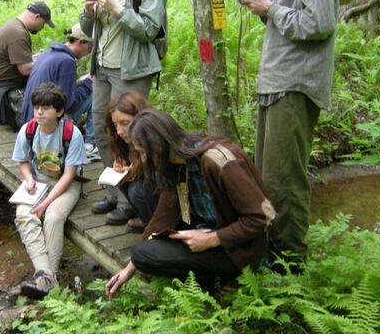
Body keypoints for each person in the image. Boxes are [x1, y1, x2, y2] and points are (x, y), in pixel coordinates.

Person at [236, 0, 338, 264]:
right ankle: (273, 256)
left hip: (296, 84)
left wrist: (270, 7)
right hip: (276, 81)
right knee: (267, 178)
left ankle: (290, 267)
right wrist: (261, 1)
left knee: (285, 182)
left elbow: (318, 23)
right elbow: (290, 20)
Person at [104, 110, 275, 298]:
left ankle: (223, 280)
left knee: (143, 254)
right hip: (207, 237)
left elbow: (263, 217)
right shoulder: (176, 163)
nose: (143, 159)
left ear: (158, 146)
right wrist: (127, 270)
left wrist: (211, 239)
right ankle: (211, 280)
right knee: (141, 254)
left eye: (143, 152)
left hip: (240, 249)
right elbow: (163, 217)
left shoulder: (217, 161)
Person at [80, 0, 168, 225]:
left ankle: (139, 201)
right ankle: (118, 192)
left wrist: (119, 9)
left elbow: (149, 30)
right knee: (102, 131)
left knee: (131, 137)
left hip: (131, 72)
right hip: (102, 68)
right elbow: (91, 30)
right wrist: (88, 11)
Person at [12, 83, 86, 299]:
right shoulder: (28, 130)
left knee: (53, 217)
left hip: (66, 184)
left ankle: (45, 280)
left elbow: (69, 175)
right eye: (36, 108)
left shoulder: (72, 134)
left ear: (59, 111)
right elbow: (23, 162)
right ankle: (46, 277)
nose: (39, 113)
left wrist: (45, 204)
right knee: (24, 215)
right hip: (39, 182)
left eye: (46, 108)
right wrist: (28, 180)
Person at [0, 2, 55, 131]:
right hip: (8, 87)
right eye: (43, 23)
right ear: (36, 17)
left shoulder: (13, 25)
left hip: (0, 81)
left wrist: (37, 57)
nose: (42, 28)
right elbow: (25, 69)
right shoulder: (18, 33)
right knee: (33, 123)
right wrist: (47, 61)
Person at [21, 23, 95, 149]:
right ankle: (90, 144)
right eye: (90, 46)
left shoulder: (48, 53)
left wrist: (81, 82)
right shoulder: (67, 62)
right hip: (43, 122)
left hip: (29, 117)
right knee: (95, 94)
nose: (90, 51)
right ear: (81, 42)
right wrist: (89, 83)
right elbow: (68, 103)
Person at [103, 91, 154, 231]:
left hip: (163, 194)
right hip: (148, 185)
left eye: (125, 123)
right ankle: (146, 219)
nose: (119, 130)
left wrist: (136, 168)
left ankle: (155, 225)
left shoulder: (154, 136)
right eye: (115, 124)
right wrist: (123, 164)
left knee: (136, 191)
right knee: (123, 181)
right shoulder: (120, 138)